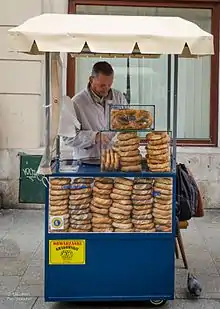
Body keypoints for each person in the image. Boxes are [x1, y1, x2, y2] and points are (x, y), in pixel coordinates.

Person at [62, 61, 127, 159]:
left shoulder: (119, 97)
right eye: (102, 85)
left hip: (113, 158)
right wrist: (94, 137)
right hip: (86, 161)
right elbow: (68, 137)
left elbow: (127, 124)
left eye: (109, 84)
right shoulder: (76, 102)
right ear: (91, 80)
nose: (106, 89)